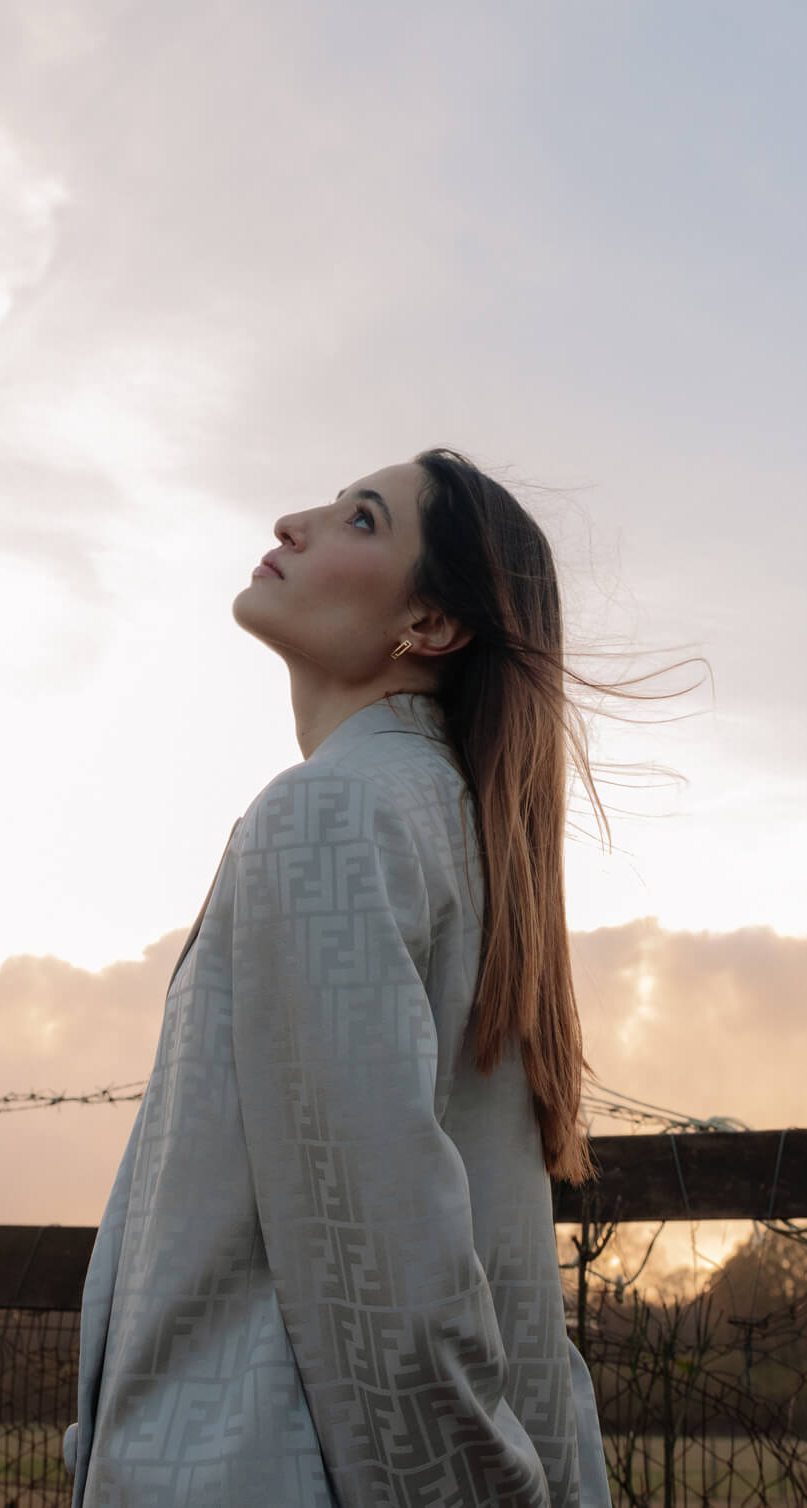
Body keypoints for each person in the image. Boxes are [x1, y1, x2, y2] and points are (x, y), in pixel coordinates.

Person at [66, 448, 614, 1507]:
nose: (292, 520)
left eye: (361, 518)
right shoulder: (446, 825)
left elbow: (386, 1279)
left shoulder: (327, 817)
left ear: (431, 623)